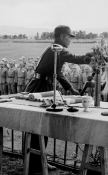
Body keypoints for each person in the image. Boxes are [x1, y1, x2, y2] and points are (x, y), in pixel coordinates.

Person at [25, 25, 92, 173]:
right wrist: (92, 56)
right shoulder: (57, 49)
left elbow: (58, 73)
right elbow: (75, 58)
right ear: (62, 36)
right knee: (38, 126)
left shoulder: (54, 49)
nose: (70, 40)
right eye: (69, 37)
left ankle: (39, 160)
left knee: (43, 127)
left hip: (43, 86)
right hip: (40, 89)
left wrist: (70, 88)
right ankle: (33, 164)